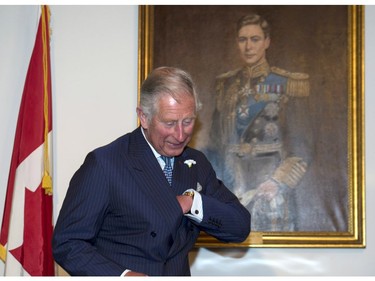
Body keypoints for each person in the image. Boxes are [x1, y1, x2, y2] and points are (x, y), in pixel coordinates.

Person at [52, 66, 251, 276]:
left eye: (188, 121)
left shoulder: (195, 163)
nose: (181, 134)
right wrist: (122, 276)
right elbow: (68, 243)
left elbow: (239, 227)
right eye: (170, 123)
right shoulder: (105, 164)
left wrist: (192, 202)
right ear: (144, 117)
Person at [207, 13, 313, 232]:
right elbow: (217, 142)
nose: (248, 46)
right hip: (233, 184)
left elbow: (303, 146)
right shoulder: (225, 85)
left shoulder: (287, 84)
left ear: (267, 42)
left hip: (272, 188)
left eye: (255, 39)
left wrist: (277, 182)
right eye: (242, 39)